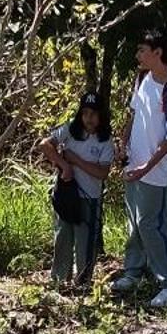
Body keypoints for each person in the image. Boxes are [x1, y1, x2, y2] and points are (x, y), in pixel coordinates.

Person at [117, 34, 167, 308]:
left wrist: (147, 166)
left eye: (142, 50)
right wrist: (123, 144)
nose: (138, 55)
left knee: (149, 223)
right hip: (134, 163)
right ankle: (133, 271)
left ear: (158, 52)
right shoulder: (142, 79)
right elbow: (134, 114)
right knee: (134, 221)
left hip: (155, 169)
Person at [41, 94, 112, 291]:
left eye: (94, 114)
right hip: (67, 192)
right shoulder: (70, 130)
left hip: (90, 196)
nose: (89, 118)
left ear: (101, 116)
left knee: (85, 240)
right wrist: (64, 165)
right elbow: (44, 145)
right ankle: (58, 279)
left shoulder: (105, 141)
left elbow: (102, 172)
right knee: (63, 235)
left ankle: (82, 282)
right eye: (85, 113)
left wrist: (76, 160)